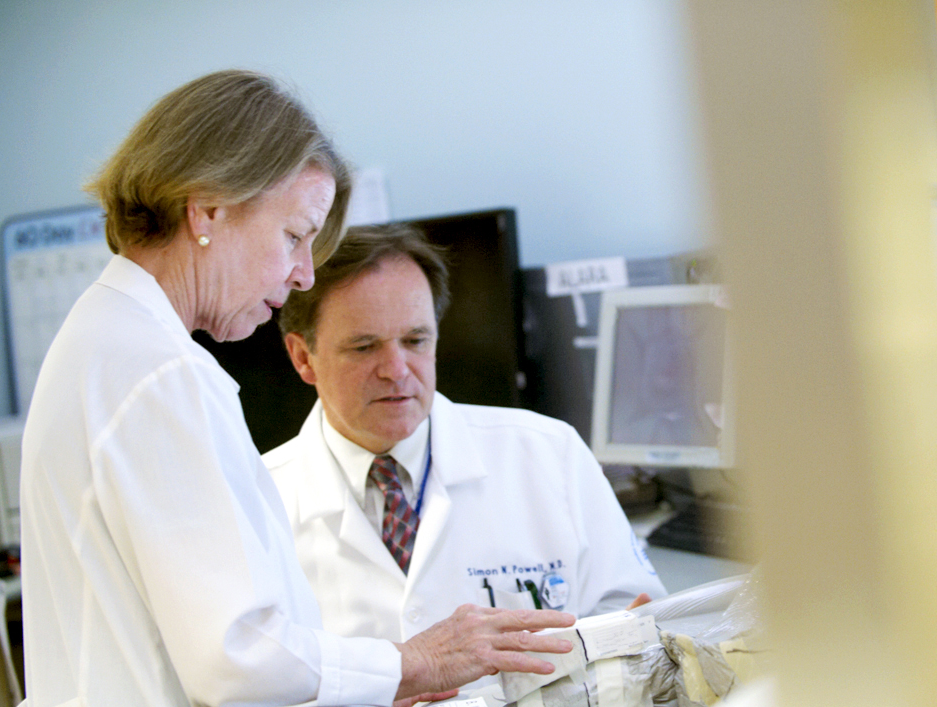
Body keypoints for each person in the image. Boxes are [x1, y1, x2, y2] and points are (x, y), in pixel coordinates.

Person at [2, 71, 574, 707]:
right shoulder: (161, 373)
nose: (305, 274)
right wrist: (412, 662)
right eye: (296, 235)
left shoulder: (105, 340)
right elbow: (237, 660)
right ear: (207, 210)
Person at [265, 225, 667, 655]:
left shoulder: (549, 452)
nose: (397, 370)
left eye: (415, 340)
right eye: (364, 347)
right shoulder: (257, 498)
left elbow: (634, 614)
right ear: (303, 357)